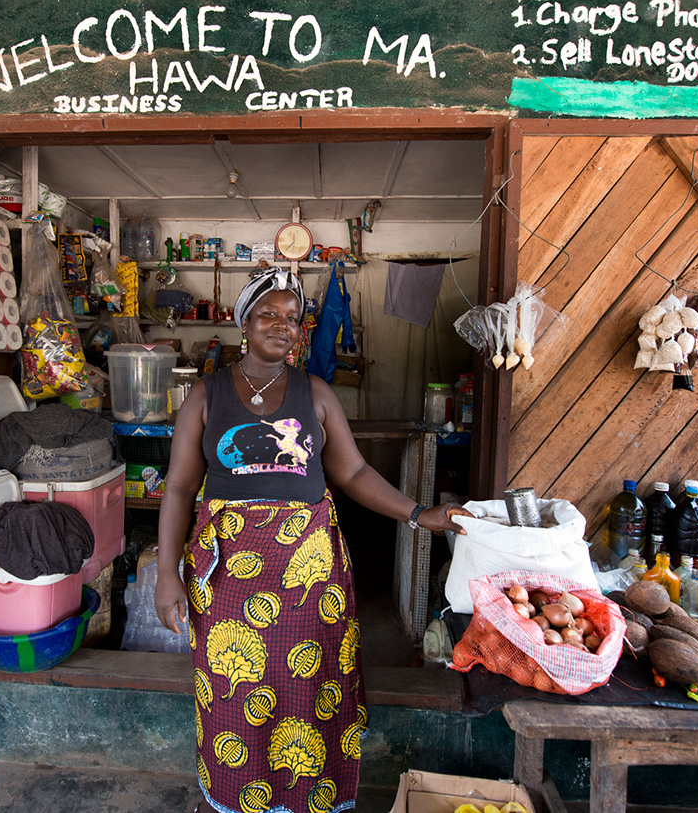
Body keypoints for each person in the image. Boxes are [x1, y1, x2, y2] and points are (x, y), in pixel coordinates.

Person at [155, 267, 468, 813]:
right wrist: (166, 573)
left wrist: (421, 514)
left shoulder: (315, 393)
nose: (282, 326)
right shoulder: (205, 395)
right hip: (228, 570)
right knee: (233, 686)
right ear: (243, 322)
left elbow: (353, 474)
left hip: (307, 573)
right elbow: (180, 487)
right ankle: (234, 797)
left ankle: (310, 800)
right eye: (268, 314)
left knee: (310, 685)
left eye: (292, 319)